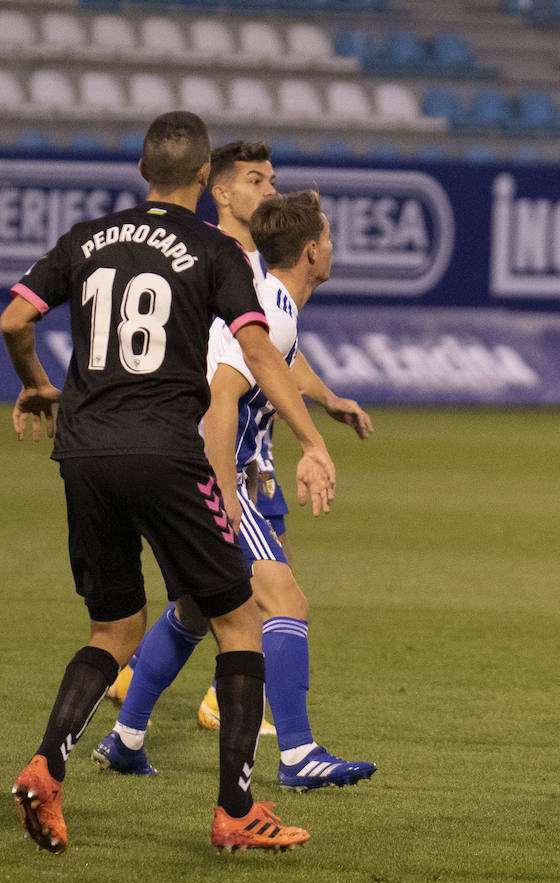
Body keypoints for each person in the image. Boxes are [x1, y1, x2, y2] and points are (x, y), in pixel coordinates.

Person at [3, 110, 334, 853]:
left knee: (113, 628)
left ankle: (46, 765)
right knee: (241, 621)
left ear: (143, 171)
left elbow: (13, 321)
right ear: (201, 178)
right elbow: (259, 355)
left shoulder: (88, 236)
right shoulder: (214, 249)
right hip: (164, 452)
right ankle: (236, 810)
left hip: (85, 452)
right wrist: (312, 438)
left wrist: (35, 385)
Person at [92, 190, 377, 792]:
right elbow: (221, 397)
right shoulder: (270, 310)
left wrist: (321, 409)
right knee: (283, 598)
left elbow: (273, 366)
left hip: (181, 466)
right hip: (208, 473)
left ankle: (126, 739)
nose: (332, 248)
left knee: (195, 610)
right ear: (310, 252)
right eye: (328, 238)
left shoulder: (273, 306)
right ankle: (298, 754)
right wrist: (221, 495)